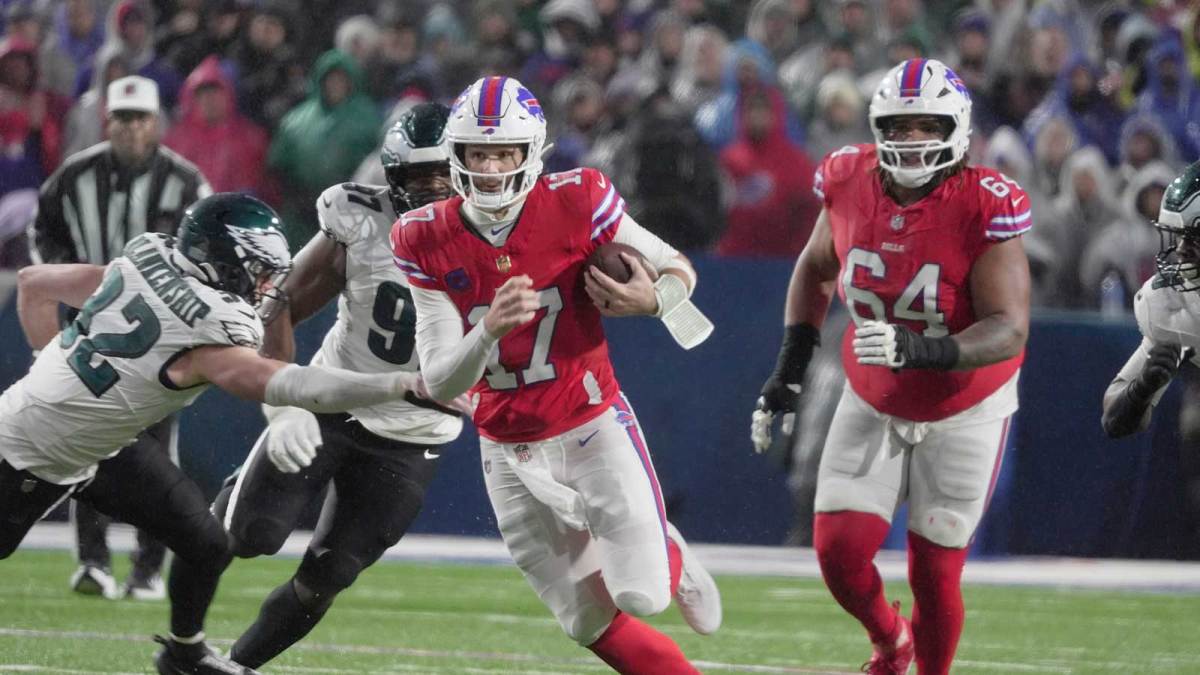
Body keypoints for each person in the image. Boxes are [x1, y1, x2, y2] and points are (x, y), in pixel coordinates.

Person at [3, 193, 434, 675]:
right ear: (224, 263)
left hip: (99, 447)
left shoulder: (147, 260)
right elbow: (287, 380)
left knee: (206, 544)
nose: (269, 284)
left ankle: (184, 655)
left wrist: (48, 362)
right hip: (25, 451)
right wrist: (395, 383)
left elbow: (33, 284)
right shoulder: (215, 325)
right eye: (260, 269)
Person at [391, 76, 721, 675]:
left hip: (591, 420)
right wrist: (487, 330)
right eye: (477, 153)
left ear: (530, 152)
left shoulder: (577, 198)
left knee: (642, 595)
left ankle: (667, 546)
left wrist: (657, 302)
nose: (490, 168)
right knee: (586, 621)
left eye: (504, 153)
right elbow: (439, 381)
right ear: (455, 156)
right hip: (508, 445)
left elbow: (676, 266)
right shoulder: (421, 235)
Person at [751, 58, 1032, 675]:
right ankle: (889, 640)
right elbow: (814, 268)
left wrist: (922, 350)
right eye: (898, 127)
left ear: (956, 128)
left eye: (926, 125)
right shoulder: (849, 178)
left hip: (965, 402)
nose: (910, 140)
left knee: (935, 569)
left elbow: (1009, 328)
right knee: (838, 552)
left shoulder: (986, 202)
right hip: (876, 391)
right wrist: (790, 369)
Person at [180, 103, 468, 670]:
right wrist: (283, 400)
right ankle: (187, 618)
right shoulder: (360, 219)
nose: (433, 190)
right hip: (335, 402)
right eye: (418, 177)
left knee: (330, 574)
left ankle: (235, 666)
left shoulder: (503, 237)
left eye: (444, 174)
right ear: (392, 177)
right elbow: (280, 300)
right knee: (249, 534)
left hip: (414, 431)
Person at [30, 74, 212, 601]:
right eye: (122, 119)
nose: (131, 130)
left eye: (139, 119)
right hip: (90, 332)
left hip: (163, 338)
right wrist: (72, 282)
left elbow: (205, 254)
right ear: (108, 121)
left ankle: (148, 569)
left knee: (155, 456)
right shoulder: (75, 175)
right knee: (86, 444)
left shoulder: (185, 182)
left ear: (155, 123)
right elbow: (43, 231)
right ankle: (93, 561)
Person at [1102, 160, 1200, 439]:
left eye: (1195, 237)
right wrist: (1142, 388)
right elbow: (1113, 416)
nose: (1182, 250)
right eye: (1181, 236)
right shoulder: (1183, 303)